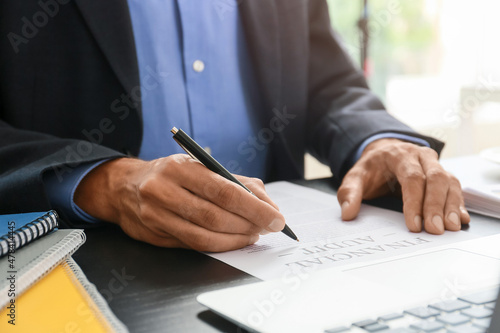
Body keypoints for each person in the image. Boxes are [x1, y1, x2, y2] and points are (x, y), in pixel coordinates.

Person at [0, 0, 469, 252]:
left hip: (271, 266)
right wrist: (105, 183)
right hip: (86, 267)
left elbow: (323, 78)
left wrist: (379, 137)